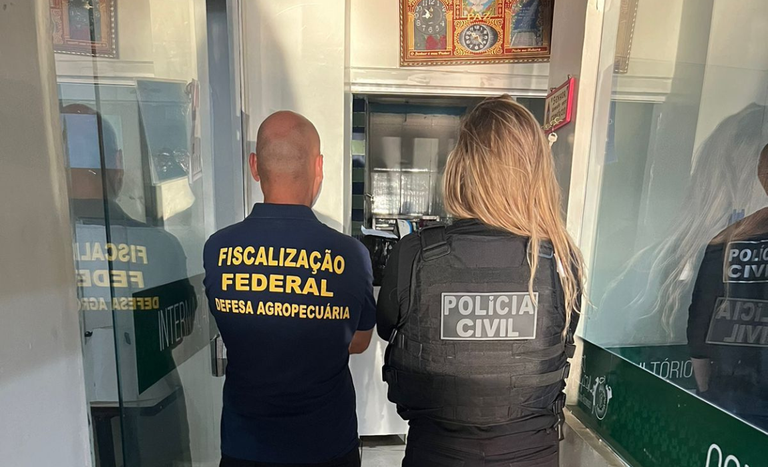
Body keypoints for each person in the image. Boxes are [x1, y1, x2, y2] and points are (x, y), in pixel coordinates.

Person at [377, 95, 584, 467]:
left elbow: (386, 328)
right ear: (537, 170)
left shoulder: (415, 254)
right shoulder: (562, 261)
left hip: (437, 453)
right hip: (532, 455)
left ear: (461, 166)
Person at [203, 111, 376, 467]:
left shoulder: (218, 249)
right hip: (327, 446)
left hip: (245, 448)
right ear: (318, 167)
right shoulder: (351, 254)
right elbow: (359, 341)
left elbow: (236, 326)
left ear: (254, 166)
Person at [64, 104, 195, 467]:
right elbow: (179, 327)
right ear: (118, 164)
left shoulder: (28, 255)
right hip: (153, 412)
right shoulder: (161, 246)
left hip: (64, 414)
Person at [687, 142, 768, 431]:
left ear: (760, 176)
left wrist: (706, 390)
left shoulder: (728, 239)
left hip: (730, 395)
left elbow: (700, 319)